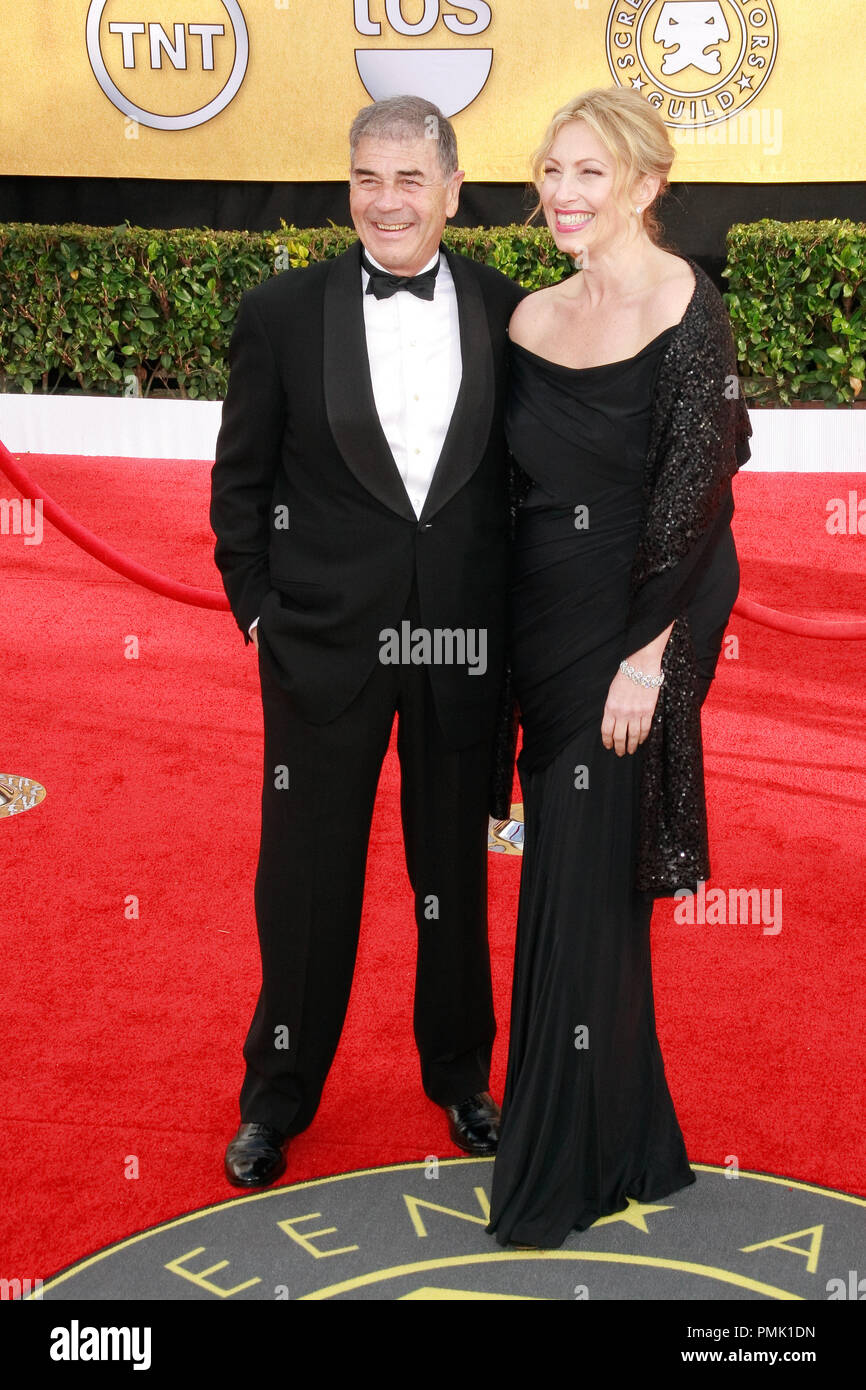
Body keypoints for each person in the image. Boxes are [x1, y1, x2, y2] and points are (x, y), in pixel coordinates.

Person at [210, 96, 526, 1188]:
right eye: (365, 178)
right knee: (302, 883)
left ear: (450, 187)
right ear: (347, 186)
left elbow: (522, 490)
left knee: (452, 875)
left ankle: (463, 1077)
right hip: (323, 649)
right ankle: (275, 1099)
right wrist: (259, 608)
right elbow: (239, 482)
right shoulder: (281, 311)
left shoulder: (504, 309)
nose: (384, 201)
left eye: (407, 179)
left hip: (459, 647)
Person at [486, 88, 752, 1249]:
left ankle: (554, 1166)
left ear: (644, 185)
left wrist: (647, 661)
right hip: (539, 633)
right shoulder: (528, 317)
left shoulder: (687, 305)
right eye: (551, 170)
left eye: (589, 172)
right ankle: (630, 1139)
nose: (562, 193)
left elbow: (695, 503)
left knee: (580, 884)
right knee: (567, 874)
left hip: (631, 632)